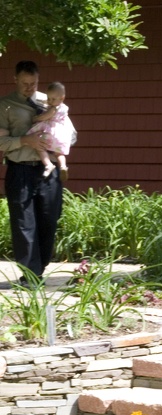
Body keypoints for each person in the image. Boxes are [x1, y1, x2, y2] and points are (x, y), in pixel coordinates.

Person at [0, 60, 65, 283]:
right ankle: (30, 275)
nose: (29, 87)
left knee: (49, 219)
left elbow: (69, 131)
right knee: (24, 224)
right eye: (25, 83)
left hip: (48, 170)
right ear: (15, 79)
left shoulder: (50, 100)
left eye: (33, 82)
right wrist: (24, 140)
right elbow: (1, 142)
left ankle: (40, 268)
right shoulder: (5, 105)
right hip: (20, 170)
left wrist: (59, 140)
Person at [28, 81, 76, 179]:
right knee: (59, 153)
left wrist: (36, 118)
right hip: (62, 135)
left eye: (52, 99)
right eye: (48, 98)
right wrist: (47, 101)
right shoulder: (64, 107)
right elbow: (49, 103)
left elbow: (45, 117)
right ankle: (63, 166)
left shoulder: (53, 109)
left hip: (51, 133)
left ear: (62, 98)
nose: (50, 101)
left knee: (40, 147)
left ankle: (48, 165)